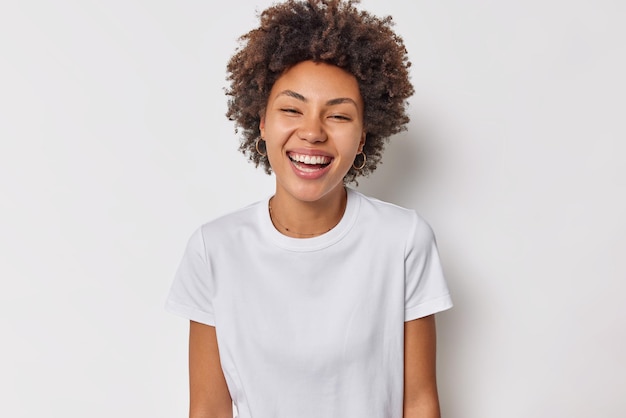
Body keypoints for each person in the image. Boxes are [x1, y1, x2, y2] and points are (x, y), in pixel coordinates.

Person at [165, 1, 453, 417]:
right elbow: (208, 408)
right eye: (291, 109)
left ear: (362, 138)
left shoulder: (403, 240)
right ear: (261, 121)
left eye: (337, 115)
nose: (313, 132)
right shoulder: (214, 248)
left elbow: (420, 401)